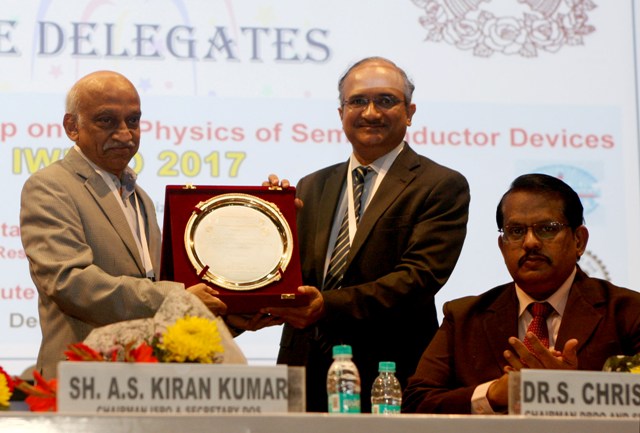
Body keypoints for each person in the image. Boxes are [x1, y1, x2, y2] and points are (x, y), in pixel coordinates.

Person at [263, 57, 470, 412]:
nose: (371, 112)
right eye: (358, 101)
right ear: (341, 112)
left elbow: (419, 277)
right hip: (304, 366)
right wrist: (265, 220)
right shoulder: (311, 186)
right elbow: (292, 275)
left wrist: (326, 305)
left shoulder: (440, 185)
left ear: (410, 112)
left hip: (388, 371)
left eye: (385, 100)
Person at [20, 71, 230, 379]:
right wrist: (178, 298)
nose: (124, 134)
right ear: (72, 127)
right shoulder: (50, 187)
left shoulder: (140, 197)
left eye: (133, 121)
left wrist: (238, 310)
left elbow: (161, 287)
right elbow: (70, 282)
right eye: (106, 121)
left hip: (147, 381)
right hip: (82, 381)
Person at [402, 173, 640, 414]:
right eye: (516, 231)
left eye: (547, 229)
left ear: (579, 240)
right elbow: (415, 402)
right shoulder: (464, 317)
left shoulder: (628, 312)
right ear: (502, 246)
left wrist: (571, 390)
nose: (530, 242)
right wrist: (494, 394)